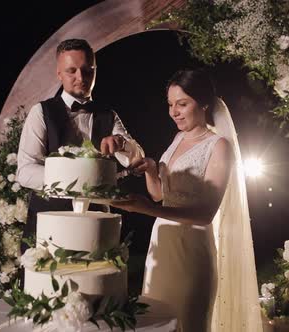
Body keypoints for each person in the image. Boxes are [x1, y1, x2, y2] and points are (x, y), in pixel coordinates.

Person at [111, 69, 262, 331]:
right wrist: (150, 169)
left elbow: (205, 214)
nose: (174, 112)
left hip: (192, 252)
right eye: (170, 105)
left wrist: (147, 210)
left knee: (186, 322)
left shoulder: (219, 146)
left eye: (182, 104)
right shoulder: (178, 138)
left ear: (203, 103)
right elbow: (161, 195)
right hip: (162, 245)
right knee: (156, 322)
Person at [16, 38, 144, 253]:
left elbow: (137, 158)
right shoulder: (41, 112)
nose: (80, 77)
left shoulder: (109, 115)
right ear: (59, 74)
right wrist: (75, 180)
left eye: (87, 70)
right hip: (49, 222)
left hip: (95, 224)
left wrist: (122, 144)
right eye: (71, 71)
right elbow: (25, 171)